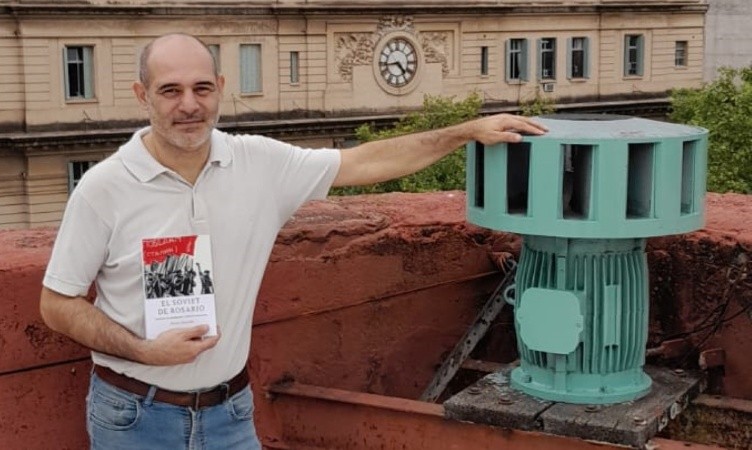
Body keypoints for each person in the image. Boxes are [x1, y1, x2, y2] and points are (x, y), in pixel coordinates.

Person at [39, 32, 547, 450]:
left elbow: (363, 162)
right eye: (170, 90)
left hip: (230, 415)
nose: (189, 105)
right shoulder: (104, 186)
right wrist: (143, 351)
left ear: (220, 87)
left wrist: (463, 131)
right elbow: (57, 303)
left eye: (201, 88)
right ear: (142, 94)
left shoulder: (257, 163)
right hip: (135, 416)